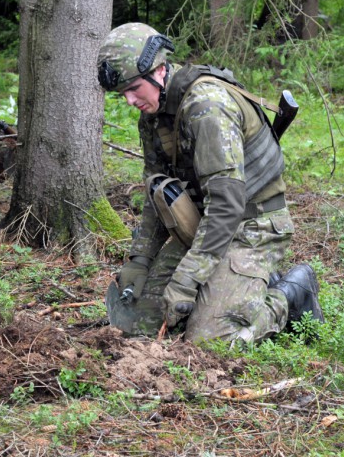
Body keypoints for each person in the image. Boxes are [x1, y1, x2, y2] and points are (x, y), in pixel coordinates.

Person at [97, 23, 324, 347]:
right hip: (205, 226)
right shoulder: (153, 117)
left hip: (253, 225)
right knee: (142, 325)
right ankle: (234, 288)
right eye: (123, 93)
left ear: (159, 70)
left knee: (209, 340)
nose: (130, 99)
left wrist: (189, 279)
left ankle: (290, 295)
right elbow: (157, 190)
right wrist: (139, 261)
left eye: (133, 88)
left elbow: (228, 205)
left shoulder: (207, 107)